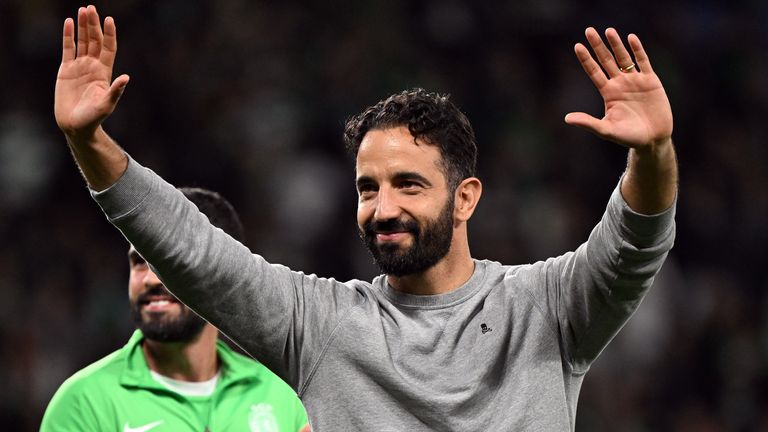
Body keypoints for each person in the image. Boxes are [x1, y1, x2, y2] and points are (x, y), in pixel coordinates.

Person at [54, 5, 677, 431]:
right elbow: (192, 251)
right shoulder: (321, 325)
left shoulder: (546, 308)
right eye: (367, 189)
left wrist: (652, 153)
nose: (383, 210)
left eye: (408, 185)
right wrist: (90, 142)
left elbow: (633, 246)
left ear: (466, 198)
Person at [40, 187, 310, 432]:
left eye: (169, 262)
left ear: (227, 274)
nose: (150, 279)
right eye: (139, 262)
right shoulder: (84, 403)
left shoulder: (283, 399)